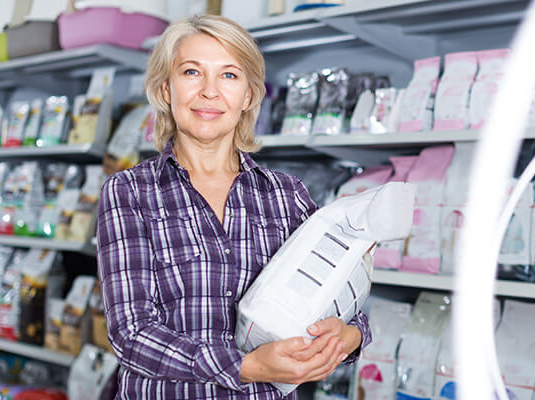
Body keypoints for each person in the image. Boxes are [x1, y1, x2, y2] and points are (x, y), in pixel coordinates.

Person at [96, 14, 370, 399]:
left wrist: (348, 335)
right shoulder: (129, 192)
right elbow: (131, 333)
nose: (210, 91)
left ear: (249, 96)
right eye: (192, 72)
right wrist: (247, 367)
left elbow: (340, 293)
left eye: (229, 75)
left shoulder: (286, 196)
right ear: (164, 89)